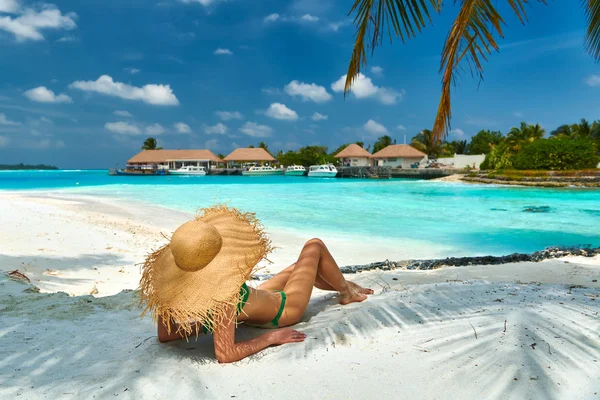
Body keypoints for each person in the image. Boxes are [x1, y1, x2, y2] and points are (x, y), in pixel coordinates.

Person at [139, 204, 373, 364]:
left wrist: (207, 324)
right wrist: (270, 339)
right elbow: (225, 354)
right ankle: (345, 292)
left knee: (304, 265)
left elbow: (166, 335)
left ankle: (340, 283)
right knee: (315, 246)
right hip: (283, 310)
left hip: (260, 296)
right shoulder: (223, 293)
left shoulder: (170, 283)